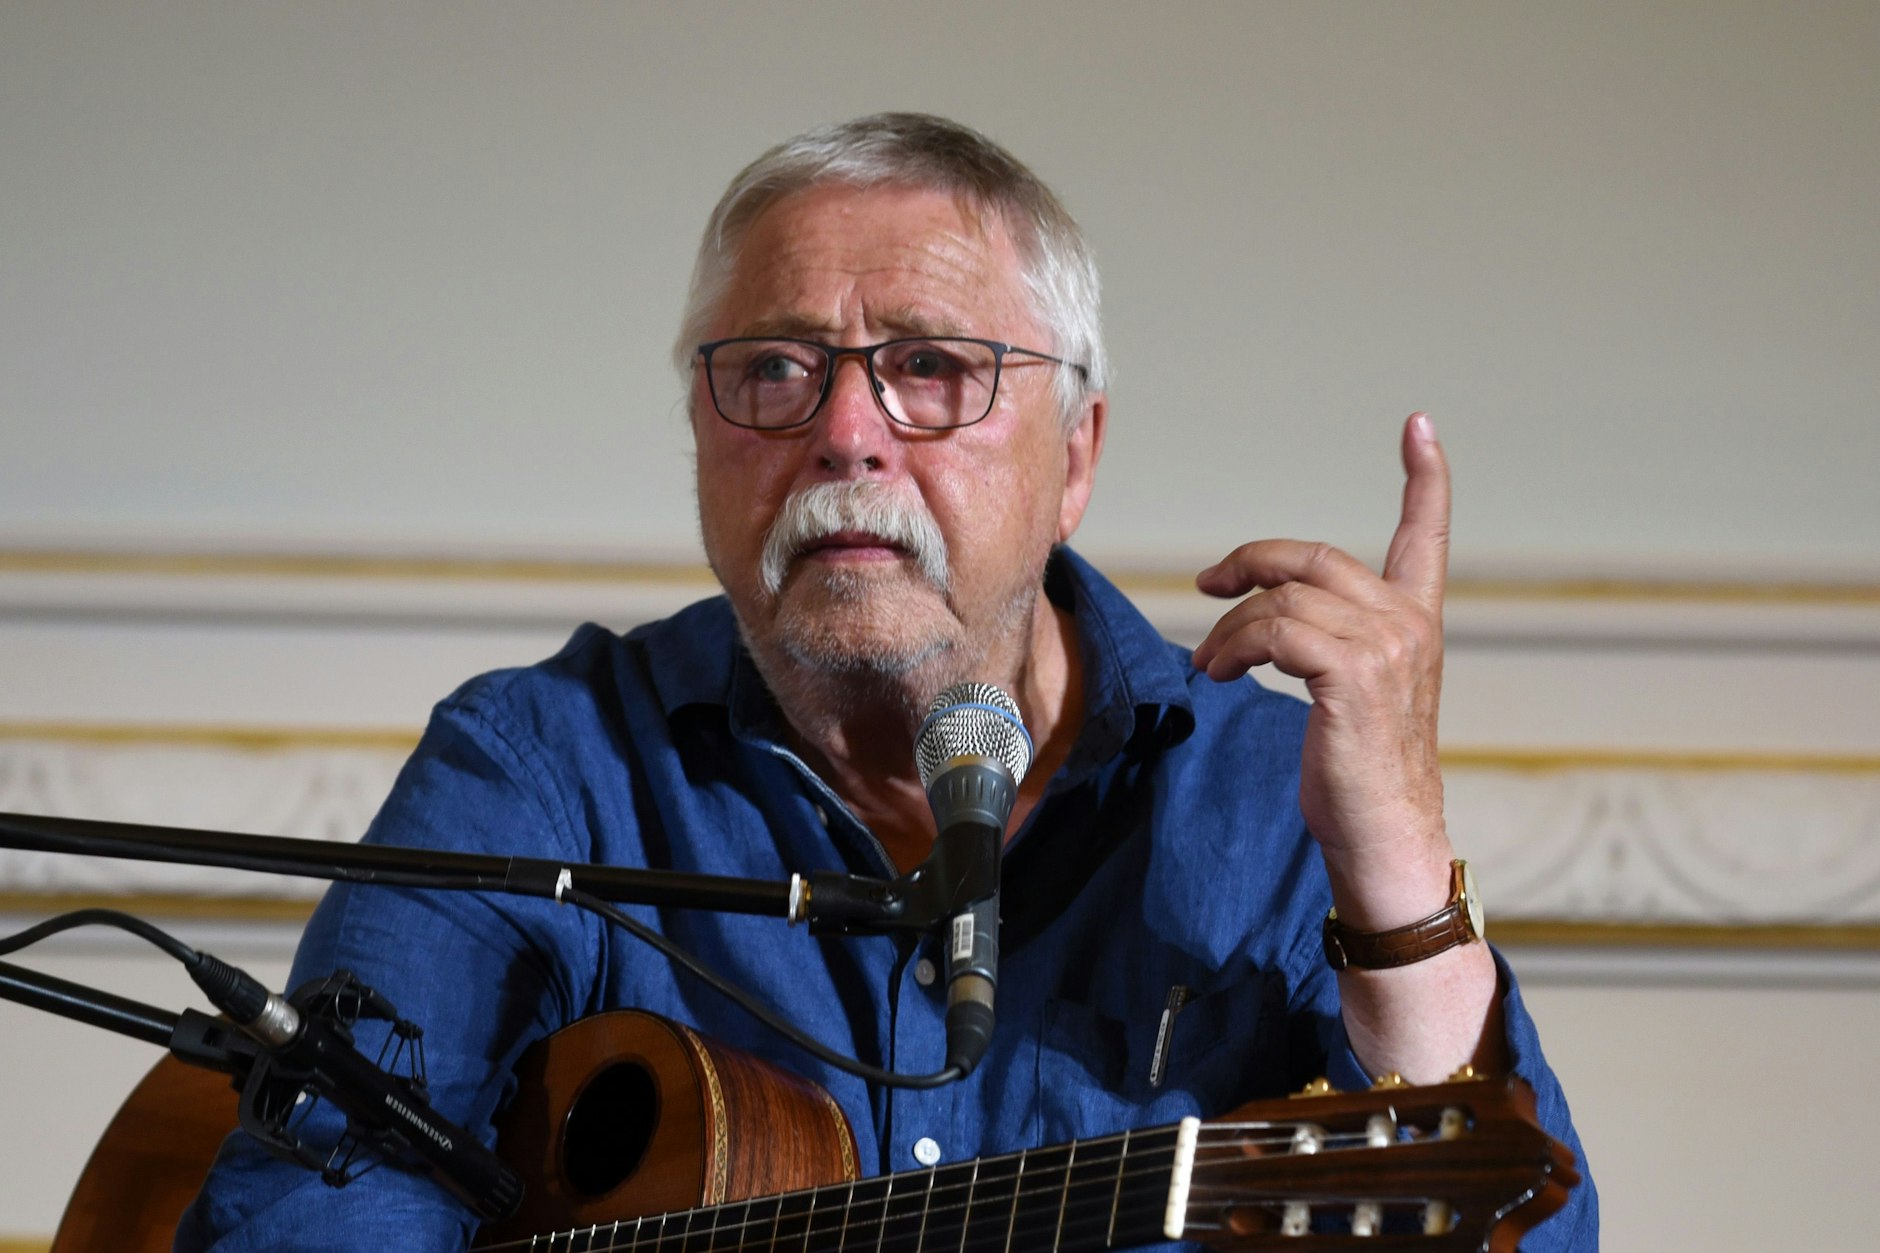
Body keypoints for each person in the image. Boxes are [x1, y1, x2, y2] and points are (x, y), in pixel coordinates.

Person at [179, 113, 1596, 1250]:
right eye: (779, 371)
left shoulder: (1263, 798)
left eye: (930, 367)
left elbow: (1521, 1228)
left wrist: (1400, 862)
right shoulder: (540, 765)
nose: (847, 430)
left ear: (1077, 456)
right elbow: (306, 1196)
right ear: (702, 434)